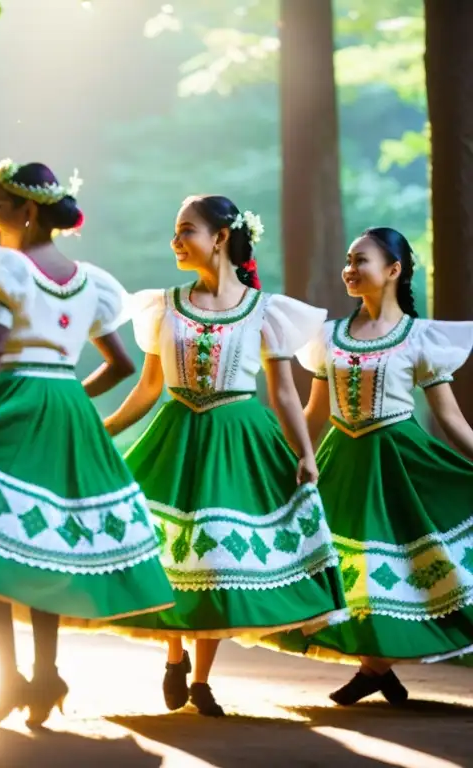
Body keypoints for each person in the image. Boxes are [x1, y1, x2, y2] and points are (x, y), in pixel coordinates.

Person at [0, 159, 175, 729]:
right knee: (42, 540)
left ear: (27, 210)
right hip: (64, 410)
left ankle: (11, 679)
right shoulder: (88, 280)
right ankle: (44, 673)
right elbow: (120, 364)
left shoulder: (2, 270)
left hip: (12, 403)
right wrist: (70, 400)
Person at [103, 195, 346, 717]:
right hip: (177, 434)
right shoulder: (162, 305)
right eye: (174, 230)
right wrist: (104, 429)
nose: (175, 240)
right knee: (170, 550)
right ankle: (174, 655)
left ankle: (203, 678)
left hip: (237, 439)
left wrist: (304, 453)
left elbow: (283, 392)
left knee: (217, 559)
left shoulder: (266, 310)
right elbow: (148, 387)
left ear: (219, 238)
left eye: (185, 229)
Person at [272, 227, 473, 706]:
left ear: (393, 270)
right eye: (348, 259)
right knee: (348, 564)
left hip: (398, 464)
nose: (350, 268)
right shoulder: (329, 337)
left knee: (401, 563)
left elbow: (450, 419)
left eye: (361, 260)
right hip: (342, 460)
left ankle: (375, 669)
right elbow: (314, 412)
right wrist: (287, 456)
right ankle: (375, 668)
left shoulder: (419, 339)